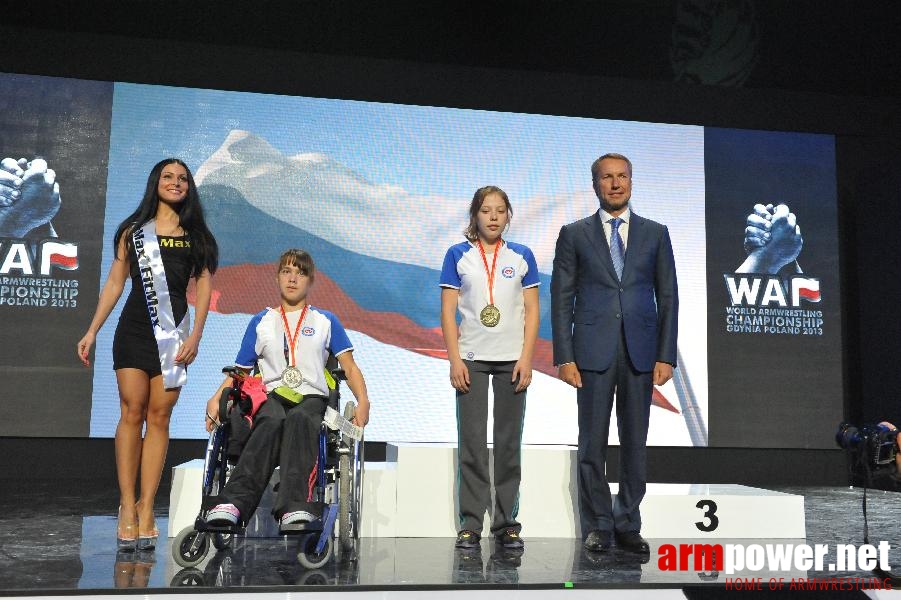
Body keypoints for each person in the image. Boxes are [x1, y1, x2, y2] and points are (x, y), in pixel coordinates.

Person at [76, 158, 218, 551]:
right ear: (156, 183)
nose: (176, 183)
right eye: (168, 177)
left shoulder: (198, 236)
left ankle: (145, 506)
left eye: (182, 179)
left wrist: (197, 337)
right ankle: (125, 504)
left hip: (174, 337)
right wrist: (92, 330)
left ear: (189, 188)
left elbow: (203, 288)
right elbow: (115, 283)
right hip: (133, 332)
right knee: (131, 411)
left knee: (159, 417)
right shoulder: (132, 232)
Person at [551, 153, 678, 554]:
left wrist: (666, 355)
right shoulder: (574, 234)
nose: (616, 183)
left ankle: (628, 522)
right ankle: (599, 524)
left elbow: (668, 296)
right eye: (607, 177)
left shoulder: (656, 233)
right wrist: (565, 356)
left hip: (641, 352)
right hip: (591, 352)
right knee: (592, 442)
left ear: (631, 182)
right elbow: (561, 298)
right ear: (595, 184)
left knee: (634, 443)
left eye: (622, 176)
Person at [204, 248, 370, 529]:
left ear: (311, 280)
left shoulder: (325, 321)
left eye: (301, 273)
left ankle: (294, 506)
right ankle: (232, 503)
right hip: (272, 397)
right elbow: (241, 372)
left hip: (312, 398)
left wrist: (363, 401)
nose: (293, 278)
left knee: (300, 419)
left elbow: (350, 367)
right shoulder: (261, 321)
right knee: (270, 419)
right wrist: (217, 397)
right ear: (278, 278)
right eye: (287, 271)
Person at [439, 186, 540, 551]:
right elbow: (448, 313)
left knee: (509, 444)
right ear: (475, 216)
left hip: (514, 361)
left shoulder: (522, 256)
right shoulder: (458, 255)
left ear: (509, 215)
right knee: (473, 445)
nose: (493, 217)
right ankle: (470, 524)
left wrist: (527, 358)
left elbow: (532, 313)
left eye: (500, 210)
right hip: (471, 361)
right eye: (486, 211)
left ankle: (507, 524)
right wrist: (454, 359)